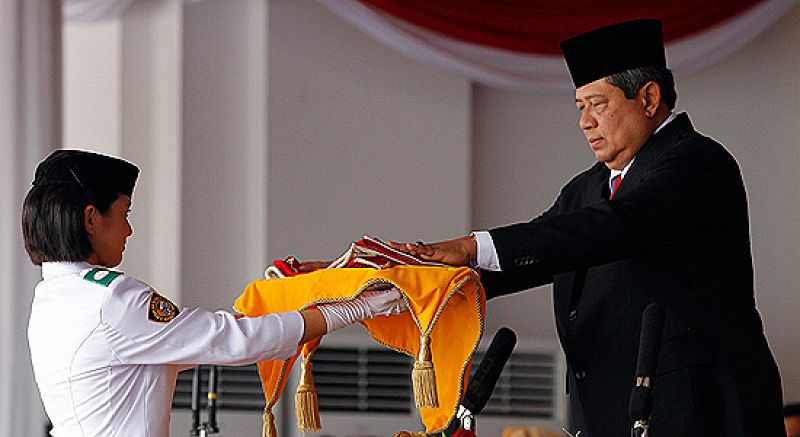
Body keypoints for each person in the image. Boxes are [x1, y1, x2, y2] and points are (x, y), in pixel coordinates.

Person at [391, 19, 785, 436]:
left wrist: (471, 246)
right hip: (606, 415)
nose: (585, 122)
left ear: (648, 99)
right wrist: (412, 283)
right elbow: (536, 254)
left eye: (597, 104)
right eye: (580, 107)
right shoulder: (586, 189)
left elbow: (611, 228)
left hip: (699, 413)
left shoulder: (698, 163)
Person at [23, 149, 406, 437]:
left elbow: (189, 341)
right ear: (91, 218)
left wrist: (283, 300)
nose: (129, 230)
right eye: (125, 213)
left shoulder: (54, 297)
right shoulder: (110, 300)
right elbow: (230, 341)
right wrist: (352, 310)